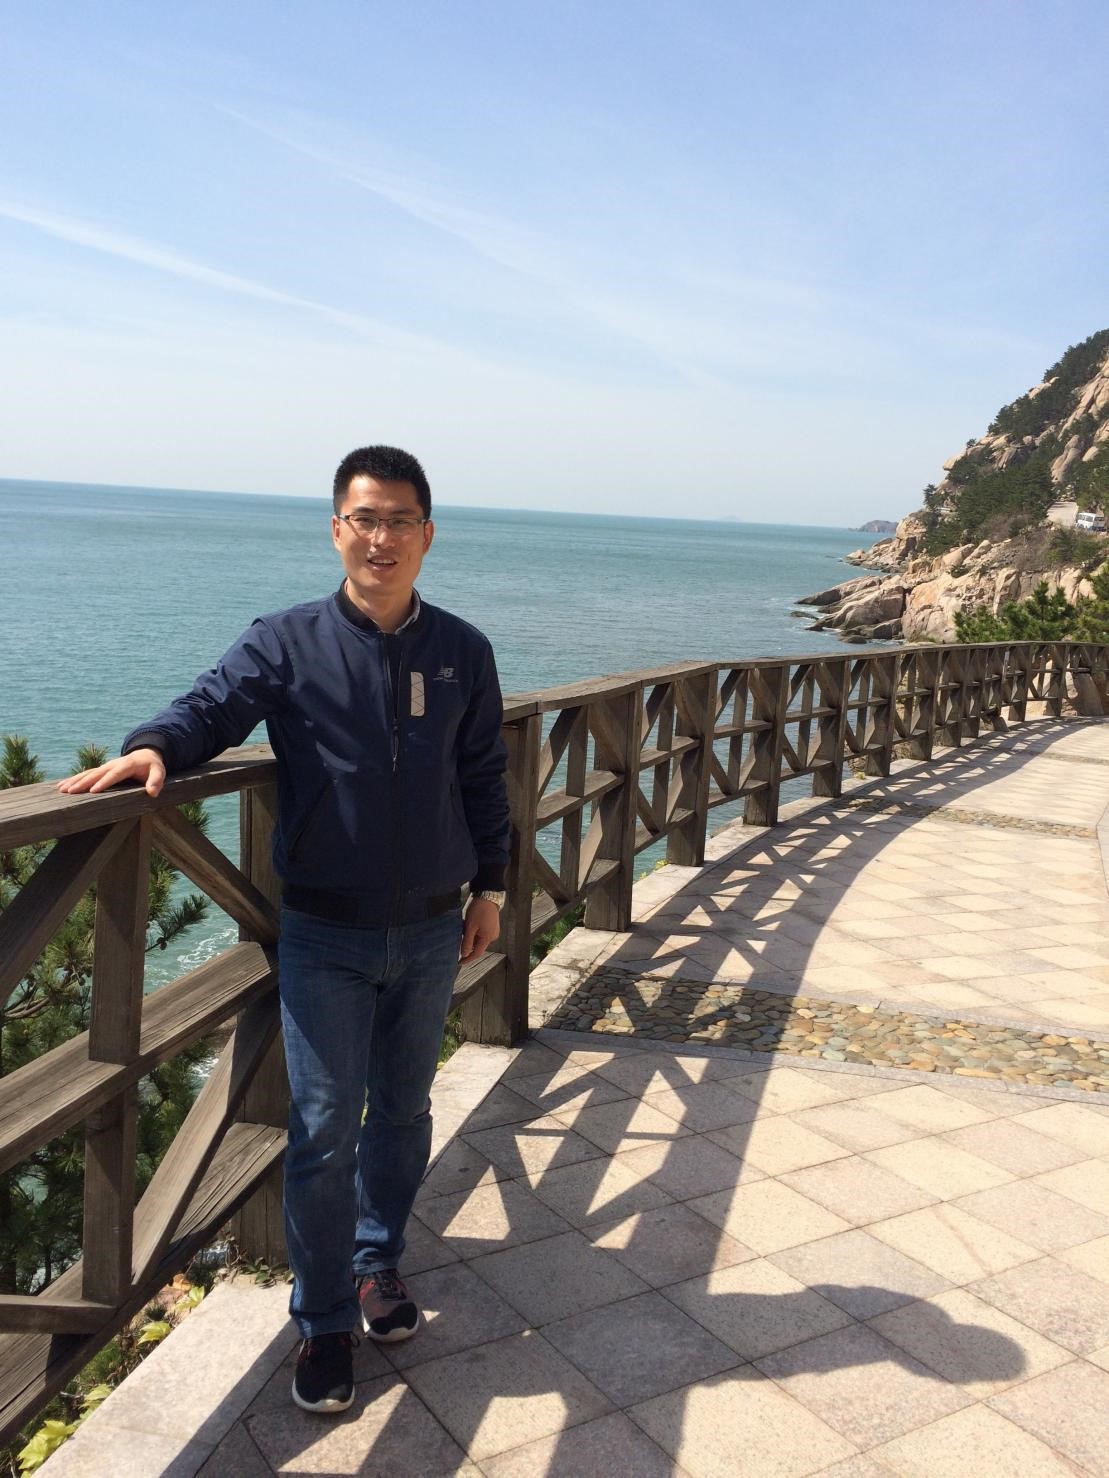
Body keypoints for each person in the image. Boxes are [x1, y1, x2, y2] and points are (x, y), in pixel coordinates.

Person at [59, 445, 510, 1414]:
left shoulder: (462, 651)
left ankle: (377, 1263)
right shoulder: (287, 640)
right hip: (325, 933)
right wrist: (153, 744)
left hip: (433, 927)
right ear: (336, 529)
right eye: (364, 518)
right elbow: (213, 704)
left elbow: (482, 774)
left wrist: (493, 888)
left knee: (403, 1113)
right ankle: (322, 1318)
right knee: (321, 1128)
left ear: (427, 534)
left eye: (399, 520)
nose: (382, 537)